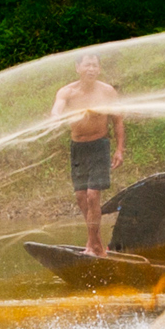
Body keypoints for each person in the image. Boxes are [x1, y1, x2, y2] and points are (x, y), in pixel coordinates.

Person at [51, 54, 126, 257]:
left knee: (93, 196)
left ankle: (91, 245)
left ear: (99, 69)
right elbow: (57, 108)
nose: (91, 69)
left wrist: (119, 149)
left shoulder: (107, 91)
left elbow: (117, 121)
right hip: (78, 147)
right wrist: (56, 116)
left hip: (99, 146)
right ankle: (97, 244)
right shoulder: (68, 92)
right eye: (87, 65)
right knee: (81, 197)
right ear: (78, 68)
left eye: (95, 65)